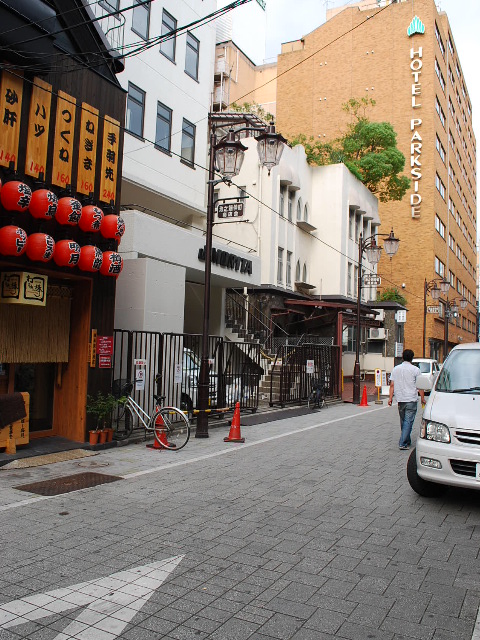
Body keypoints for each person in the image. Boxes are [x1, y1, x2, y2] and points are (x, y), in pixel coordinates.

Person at [388, 349, 425, 450]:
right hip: (411, 399)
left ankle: (407, 440)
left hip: (400, 399)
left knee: (403, 420)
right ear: (412, 358)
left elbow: (392, 384)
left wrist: (390, 398)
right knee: (408, 421)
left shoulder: (396, 369)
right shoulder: (415, 370)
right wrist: (422, 398)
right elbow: (420, 385)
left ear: (403, 357)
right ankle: (403, 443)